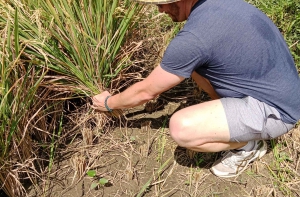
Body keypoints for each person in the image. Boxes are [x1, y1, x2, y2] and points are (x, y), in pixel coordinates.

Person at [92, 0, 300, 178]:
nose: (160, 10)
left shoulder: (194, 39)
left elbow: (147, 92)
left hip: (278, 111)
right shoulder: (219, 5)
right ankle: (232, 114)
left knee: (182, 128)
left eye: (162, 3)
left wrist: (109, 103)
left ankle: (248, 146)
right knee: (191, 67)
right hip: (282, 88)